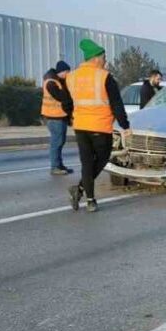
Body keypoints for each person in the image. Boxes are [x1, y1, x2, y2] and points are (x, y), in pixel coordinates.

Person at [65, 38, 130, 213]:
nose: (105, 61)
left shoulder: (71, 77)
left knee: (87, 163)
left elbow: (66, 101)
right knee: (101, 159)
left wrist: (71, 117)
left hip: (80, 126)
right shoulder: (104, 76)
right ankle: (87, 197)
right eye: (104, 57)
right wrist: (125, 126)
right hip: (100, 126)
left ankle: (84, 194)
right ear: (95, 58)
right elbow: (117, 103)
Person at [41, 60, 74, 175]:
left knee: (60, 141)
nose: (68, 74)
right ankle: (55, 166)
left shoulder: (58, 81)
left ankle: (59, 165)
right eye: (67, 72)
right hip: (53, 117)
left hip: (59, 116)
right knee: (57, 142)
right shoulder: (51, 82)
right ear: (61, 71)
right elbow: (62, 97)